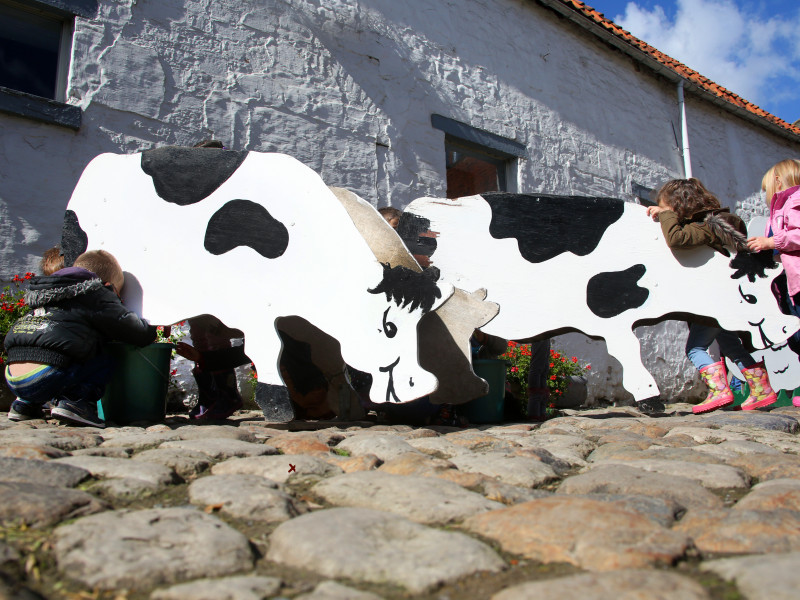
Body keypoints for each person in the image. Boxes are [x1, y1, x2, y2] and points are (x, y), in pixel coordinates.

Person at [648, 178, 778, 413]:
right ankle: (762, 390)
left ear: (679, 205)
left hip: (715, 300)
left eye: (667, 206)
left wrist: (666, 214)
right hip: (723, 299)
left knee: (695, 348)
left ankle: (719, 391)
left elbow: (678, 239)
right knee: (731, 345)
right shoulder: (714, 223)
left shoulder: (711, 225)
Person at [3, 250, 157, 427]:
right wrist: (153, 327)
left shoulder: (47, 292)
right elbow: (136, 332)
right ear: (108, 286)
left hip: (13, 376)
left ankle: (24, 405)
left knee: (58, 349)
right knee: (106, 356)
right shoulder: (97, 294)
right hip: (46, 375)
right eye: (118, 294)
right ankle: (76, 403)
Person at [747, 159, 800, 407]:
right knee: (795, 337)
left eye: (767, 187)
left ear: (778, 180)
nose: (766, 193)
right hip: (787, 283)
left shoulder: (796, 200)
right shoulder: (776, 212)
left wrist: (772, 242)